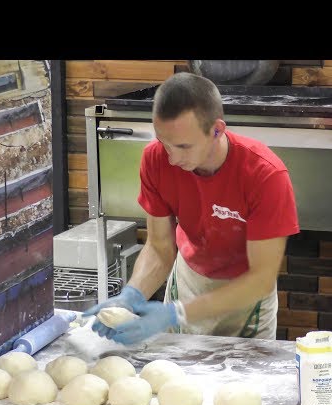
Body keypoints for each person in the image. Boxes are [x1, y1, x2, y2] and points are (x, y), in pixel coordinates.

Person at [84, 72, 300, 344]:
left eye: (184, 146)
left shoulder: (265, 175)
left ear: (217, 130)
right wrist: (133, 295)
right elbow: (160, 248)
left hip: (246, 298)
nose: (172, 158)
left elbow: (261, 279)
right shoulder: (156, 159)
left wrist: (175, 314)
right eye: (164, 142)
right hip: (188, 281)